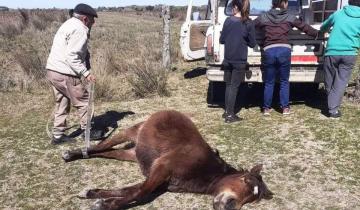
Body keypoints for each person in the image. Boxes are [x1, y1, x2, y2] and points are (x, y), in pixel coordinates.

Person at [46, 3, 103, 144]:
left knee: (62, 102)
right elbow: (72, 56)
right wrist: (85, 73)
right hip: (65, 72)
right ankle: (88, 132)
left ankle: (58, 136)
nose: (93, 23)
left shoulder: (68, 24)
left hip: (53, 70)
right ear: (85, 19)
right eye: (91, 19)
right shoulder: (80, 29)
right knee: (84, 101)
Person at [254, 0, 318, 116]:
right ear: (283, 3)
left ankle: (266, 109)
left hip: (269, 50)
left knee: (269, 82)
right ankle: (285, 108)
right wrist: (318, 33)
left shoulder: (263, 17)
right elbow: (304, 27)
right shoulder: (289, 17)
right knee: (284, 81)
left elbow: (250, 26)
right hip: (284, 50)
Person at [319, 0, 360, 119]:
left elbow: (324, 26)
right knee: (341, 81)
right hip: (350, 53)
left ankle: (332, 106)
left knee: (329, 79)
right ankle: (333, 108)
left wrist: (323, 31)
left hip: (332, 51)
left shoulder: (339, 13)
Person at [220, 0, 256, 123]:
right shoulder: (248, 23)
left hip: (228, 58)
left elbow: (222, 40)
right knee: (234, 87)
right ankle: (230, 115)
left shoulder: (228, 21)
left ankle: (226, 112)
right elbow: (252, 44)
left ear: (236, 7)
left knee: (228, 85)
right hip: (239, 60)